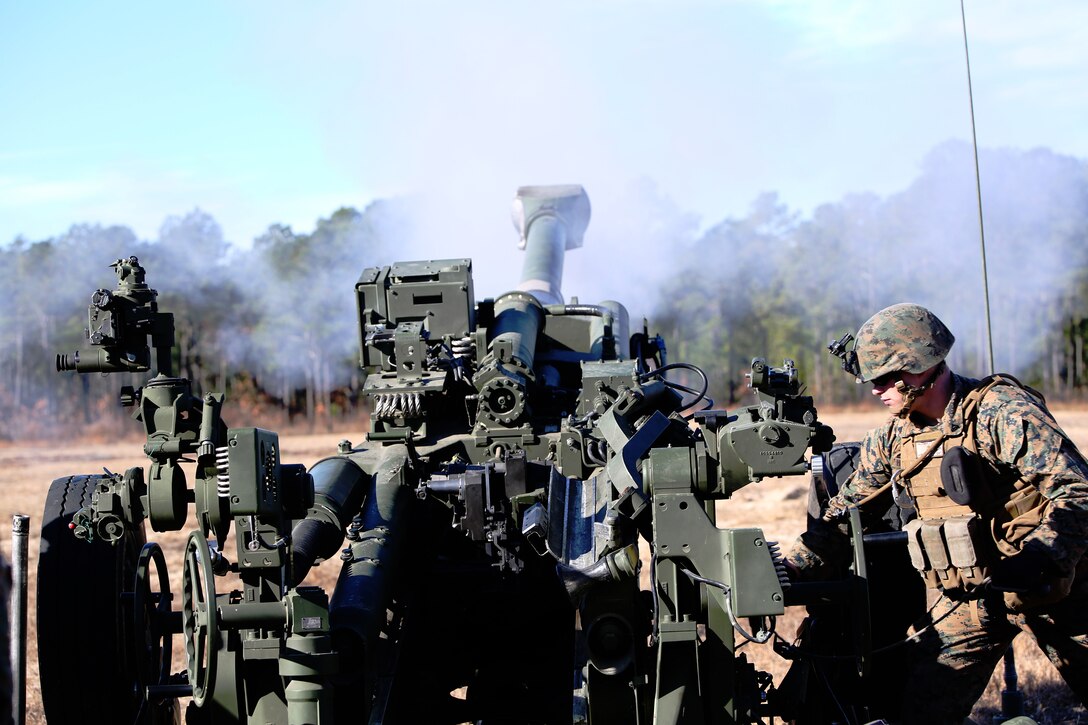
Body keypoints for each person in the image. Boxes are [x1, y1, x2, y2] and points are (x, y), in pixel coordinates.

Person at [786, 302, 1088, 723]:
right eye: (871, 380)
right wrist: (789, 571)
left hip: (1061, 587)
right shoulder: (894, 438)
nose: (875, 390)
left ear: (920, 366)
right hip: (975, 599)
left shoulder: (1000, 413)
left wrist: (1044, 555)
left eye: (884, 378)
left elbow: (1076, 491)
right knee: (921, 708)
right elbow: (844, 516)